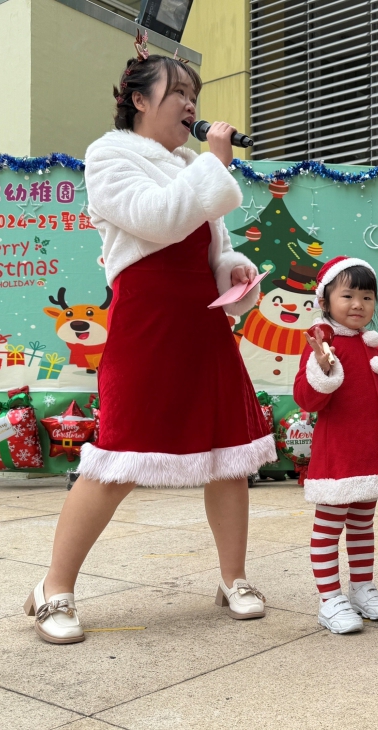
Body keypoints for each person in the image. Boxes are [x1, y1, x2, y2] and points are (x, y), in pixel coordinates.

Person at [24, 32, 276, 644]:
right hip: (148, 323)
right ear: (139, 99)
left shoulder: (191, 167)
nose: (191, 104)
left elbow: (211, 247)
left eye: (194, 95)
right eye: (178, 92)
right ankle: (54, 588)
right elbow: (157, 219)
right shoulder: (109, 155)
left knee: (229, 454)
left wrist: (233, 270)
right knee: (117, 457)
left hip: (202, 323)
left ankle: (234, 578)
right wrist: (216, 163)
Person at [293, 257, 378, 634]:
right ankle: (330, 600)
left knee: (362, 526)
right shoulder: (323, 343)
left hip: (370, 456)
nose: (358, 304)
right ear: (325, 301)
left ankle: (362, 589)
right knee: (328, 528)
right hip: (336, 457)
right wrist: (322, 367)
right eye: (348, 295)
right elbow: (307, 398)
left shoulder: (372, 347)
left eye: (367, 297)